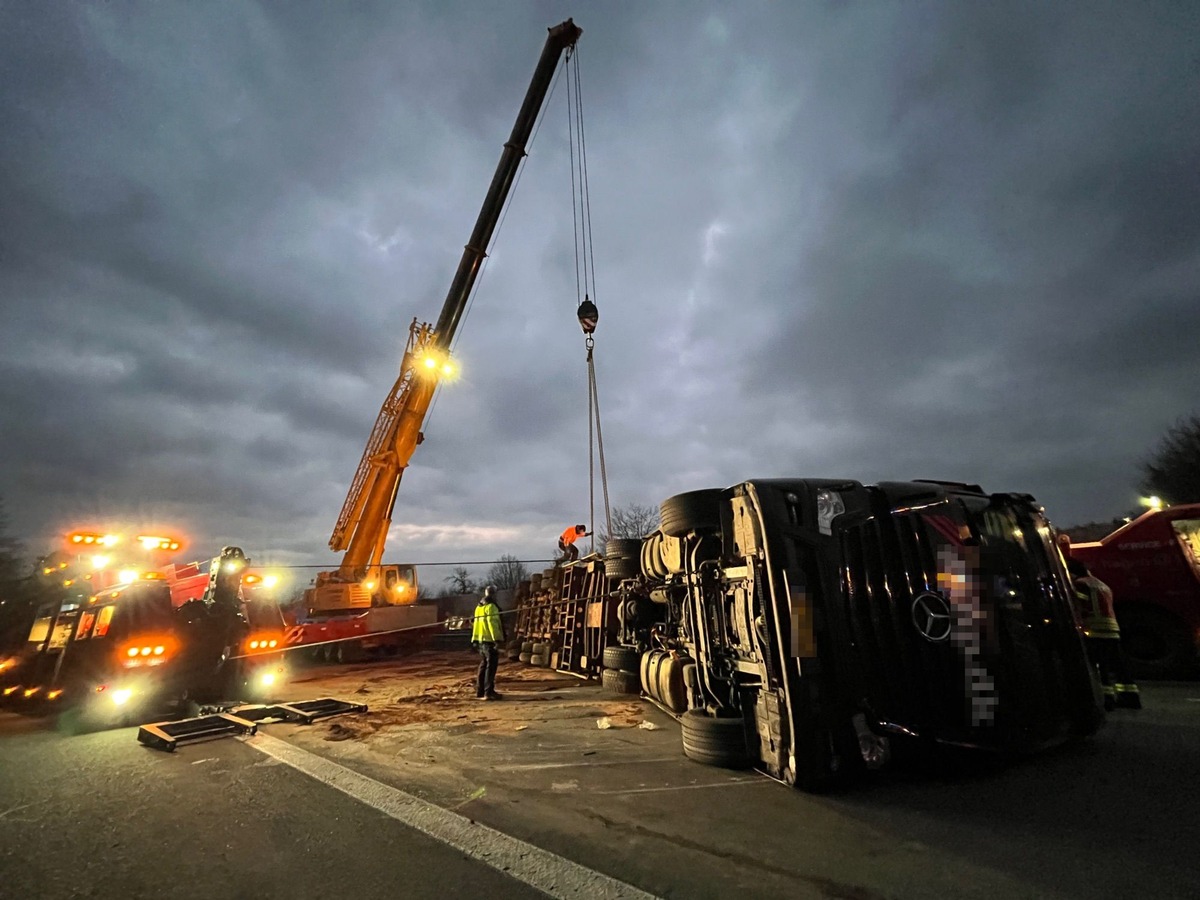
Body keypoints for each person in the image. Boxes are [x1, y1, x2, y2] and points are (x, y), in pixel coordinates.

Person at [1067, 557, 1141, 710]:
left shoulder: (1081, 584)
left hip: (1096, 630)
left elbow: (1077, 605)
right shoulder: (1102, 585)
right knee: (1119, 666)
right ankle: (1131, 698)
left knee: (1100, 667)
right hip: (1112, 630)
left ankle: (1107, 700)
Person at [471, 585, 505, 700]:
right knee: (491, 667)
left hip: (481, 641)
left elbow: (476, 624)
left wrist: (474, 639)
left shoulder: (479, 607)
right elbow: (493, 624)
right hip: (489, 641)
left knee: (484, 665)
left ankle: (480, 691)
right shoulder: (491, 607)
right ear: (494, 594)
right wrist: (497, 640)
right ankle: (489, 692)